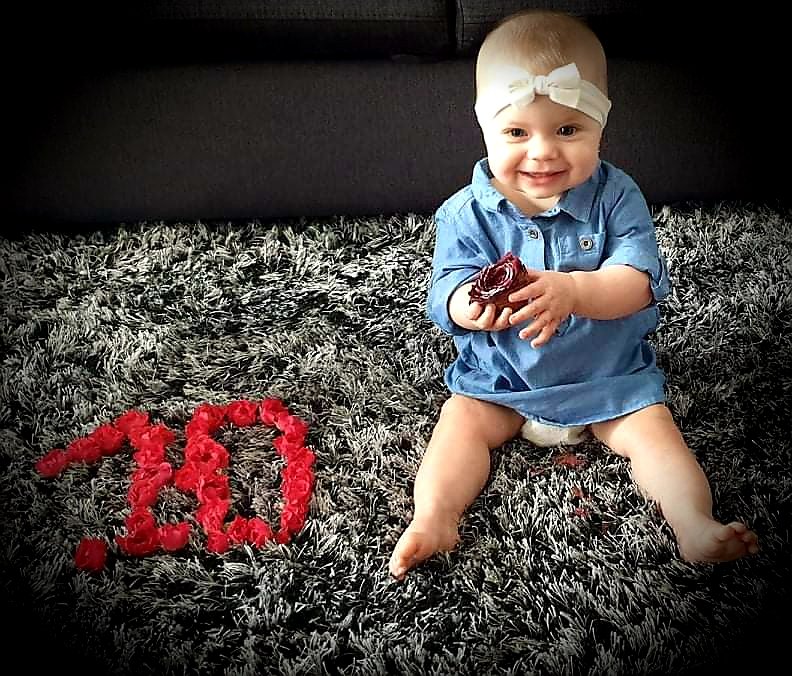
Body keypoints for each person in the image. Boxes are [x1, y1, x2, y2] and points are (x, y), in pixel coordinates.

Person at [388, 9, 758, 580]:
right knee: (459, 426)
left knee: (656, 437)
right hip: (503, 380)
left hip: (609, 376)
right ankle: (435, 517)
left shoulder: (617, 196)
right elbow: (446, 290)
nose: (542, 152)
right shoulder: (465, 213)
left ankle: (693, 523)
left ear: (601, 127)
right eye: (517, 132)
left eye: (567, 130)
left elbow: (637, 283)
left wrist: (574, 290)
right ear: (485, 128)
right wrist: (469, 305)